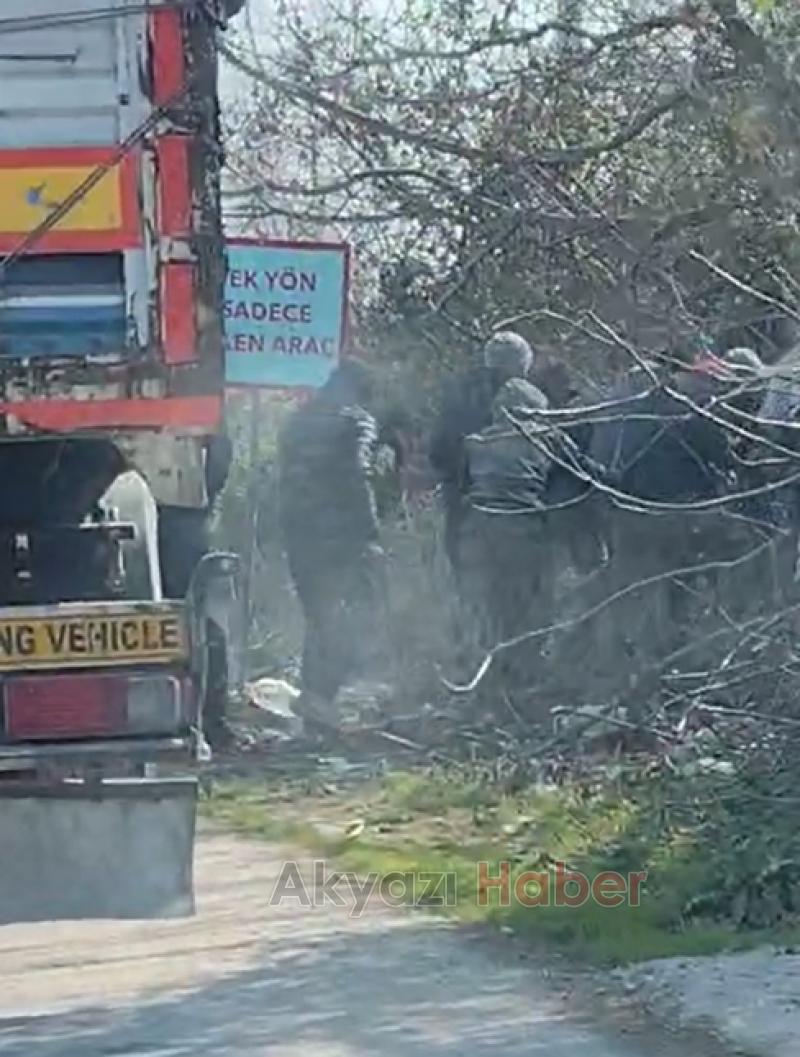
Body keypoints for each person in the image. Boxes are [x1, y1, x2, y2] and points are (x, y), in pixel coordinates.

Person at [277, 359, 385, 735]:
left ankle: (316, 701)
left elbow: (285, 480)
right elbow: (359, 476)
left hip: (301, 535)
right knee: (355, 617)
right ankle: (320, 698)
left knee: (319, 617)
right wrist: (369, 532)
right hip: (343, 537)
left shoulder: (297, 421)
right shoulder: (356, 421)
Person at [460, 378, 556, 711]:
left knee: (490, 610)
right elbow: (576, 477)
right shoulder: (544, 439)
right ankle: (521, 686)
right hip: (522, 533)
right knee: (528, 611)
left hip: (478, 532)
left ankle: (488, 686)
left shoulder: (477, 441)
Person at [429, 331, 536, 582]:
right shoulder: (526, 399)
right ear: (520, 365)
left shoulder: (458, 392)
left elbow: (437, 452)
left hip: (461, 508)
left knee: (469, 591)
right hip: (514, 514)